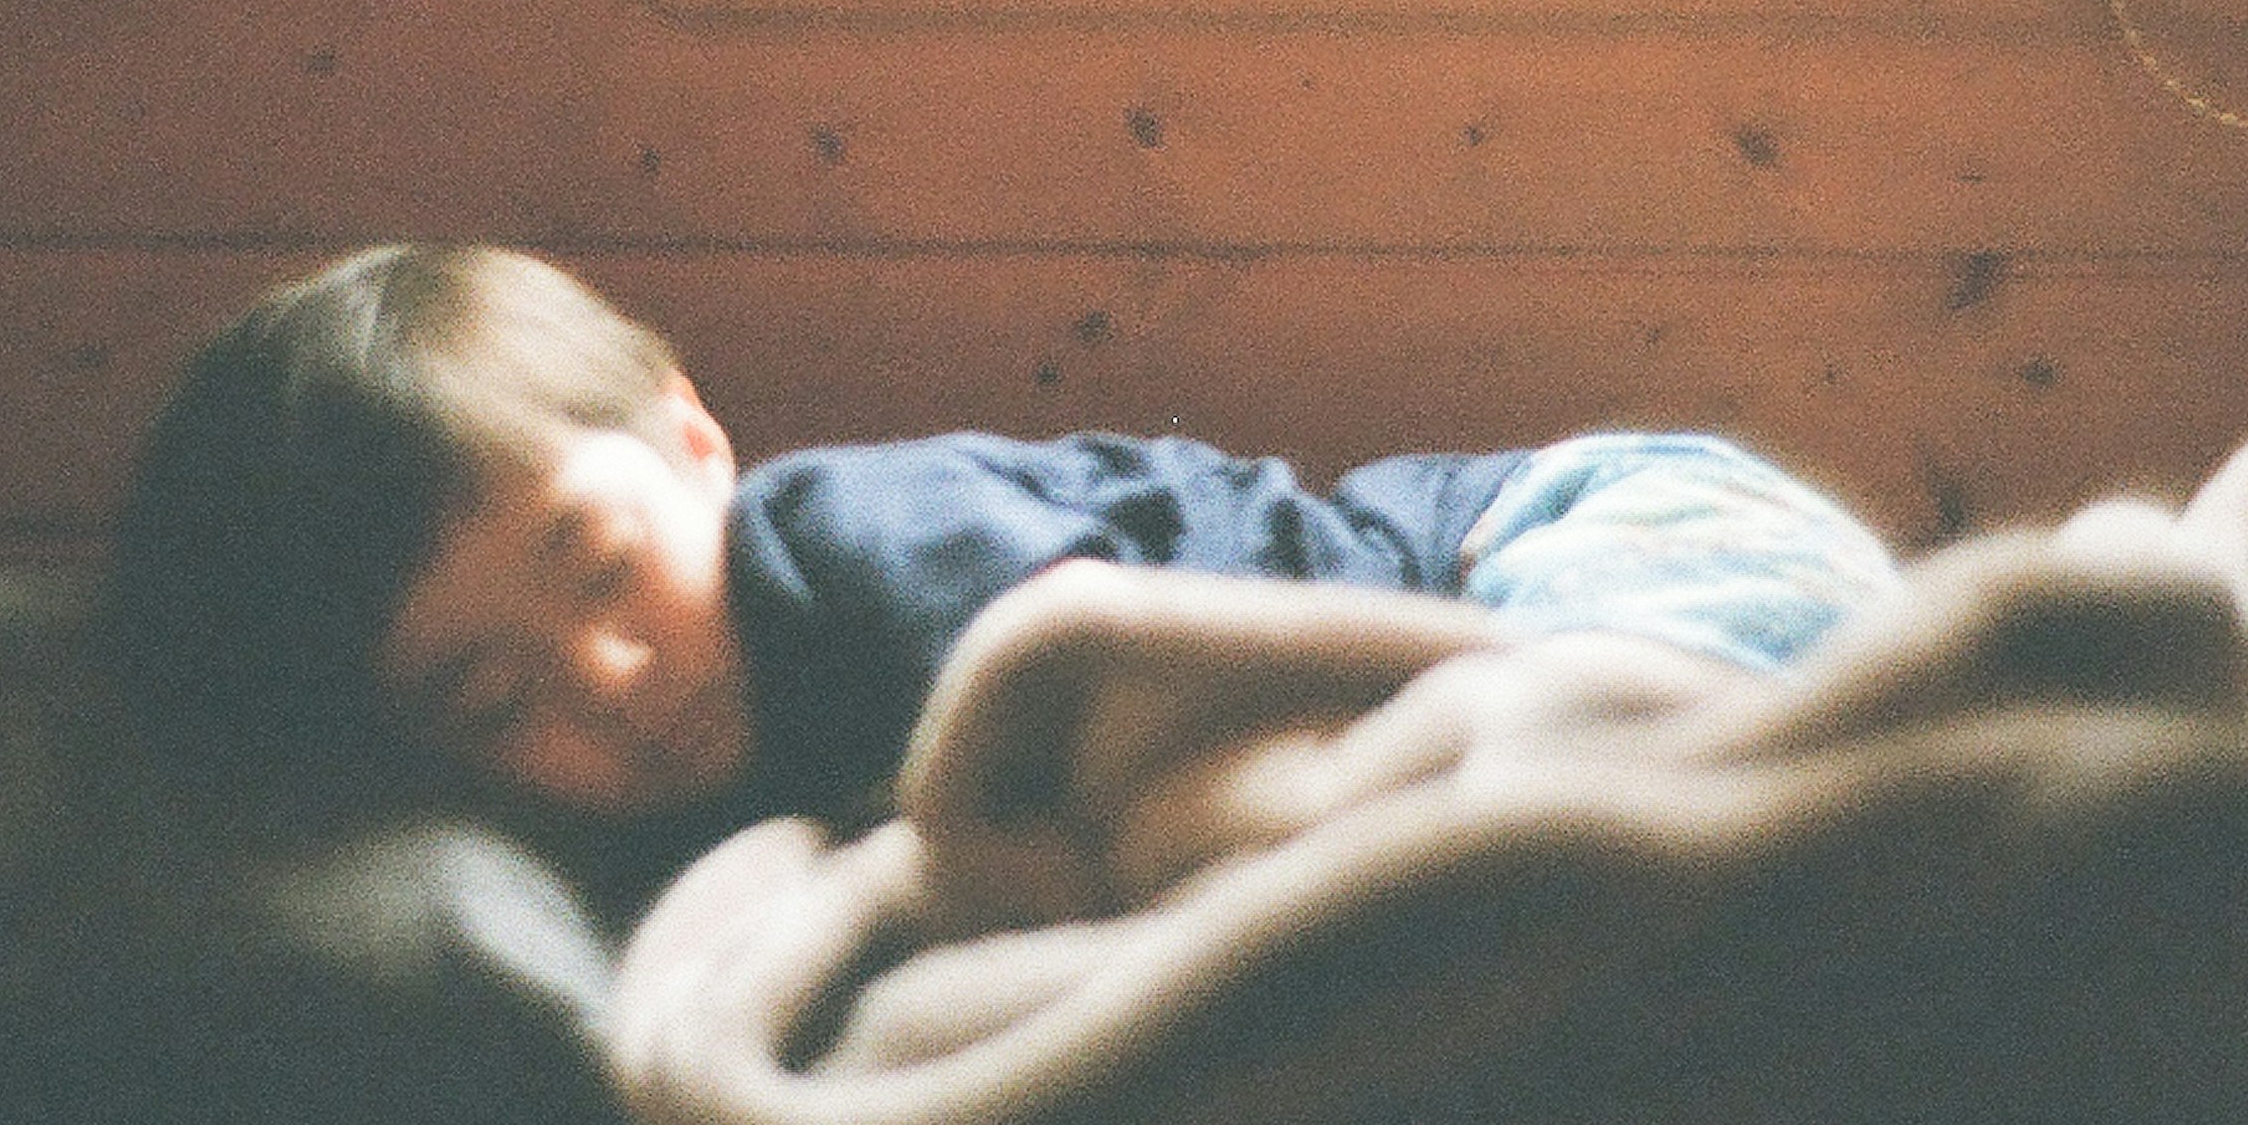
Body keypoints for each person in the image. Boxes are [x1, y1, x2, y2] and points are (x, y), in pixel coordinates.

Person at [99, 243, 1899, 895]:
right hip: (1506, 615)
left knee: (1655, 792)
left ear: (691, 446)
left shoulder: (867, 553)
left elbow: (1123, 699)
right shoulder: (632, 833)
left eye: (597, 567)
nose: (609, 679)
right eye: (495, 697)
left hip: (1569, 541)